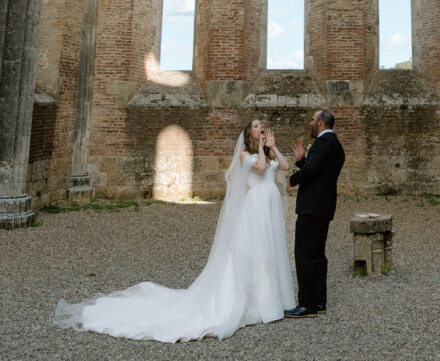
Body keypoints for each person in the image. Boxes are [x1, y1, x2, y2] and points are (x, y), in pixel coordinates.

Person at [54, 119, 295, 342]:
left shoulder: (266, 152)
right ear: (248, 133)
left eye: (261, 124)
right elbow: (262, 170)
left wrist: (272, 147)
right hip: (255, 207)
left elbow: (283, 166)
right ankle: (257, 301)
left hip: (269, 205)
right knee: (256, 250)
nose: (261, 127)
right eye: (256, 126)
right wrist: (263, 148)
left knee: (270, 249)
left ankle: (271, 300)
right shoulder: (245, 155)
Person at [285, 109, 345, 318]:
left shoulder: (322, 143)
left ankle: (307, 305)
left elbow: (311, 172)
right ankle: (319, 301)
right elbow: (318, 171)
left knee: (305, 254)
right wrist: (302, 160)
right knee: (317, 255)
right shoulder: (336, 145)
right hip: (324, 207)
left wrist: (292, 179)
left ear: (320, 123)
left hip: (312, 207)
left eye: (312, 119)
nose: (310, 122)